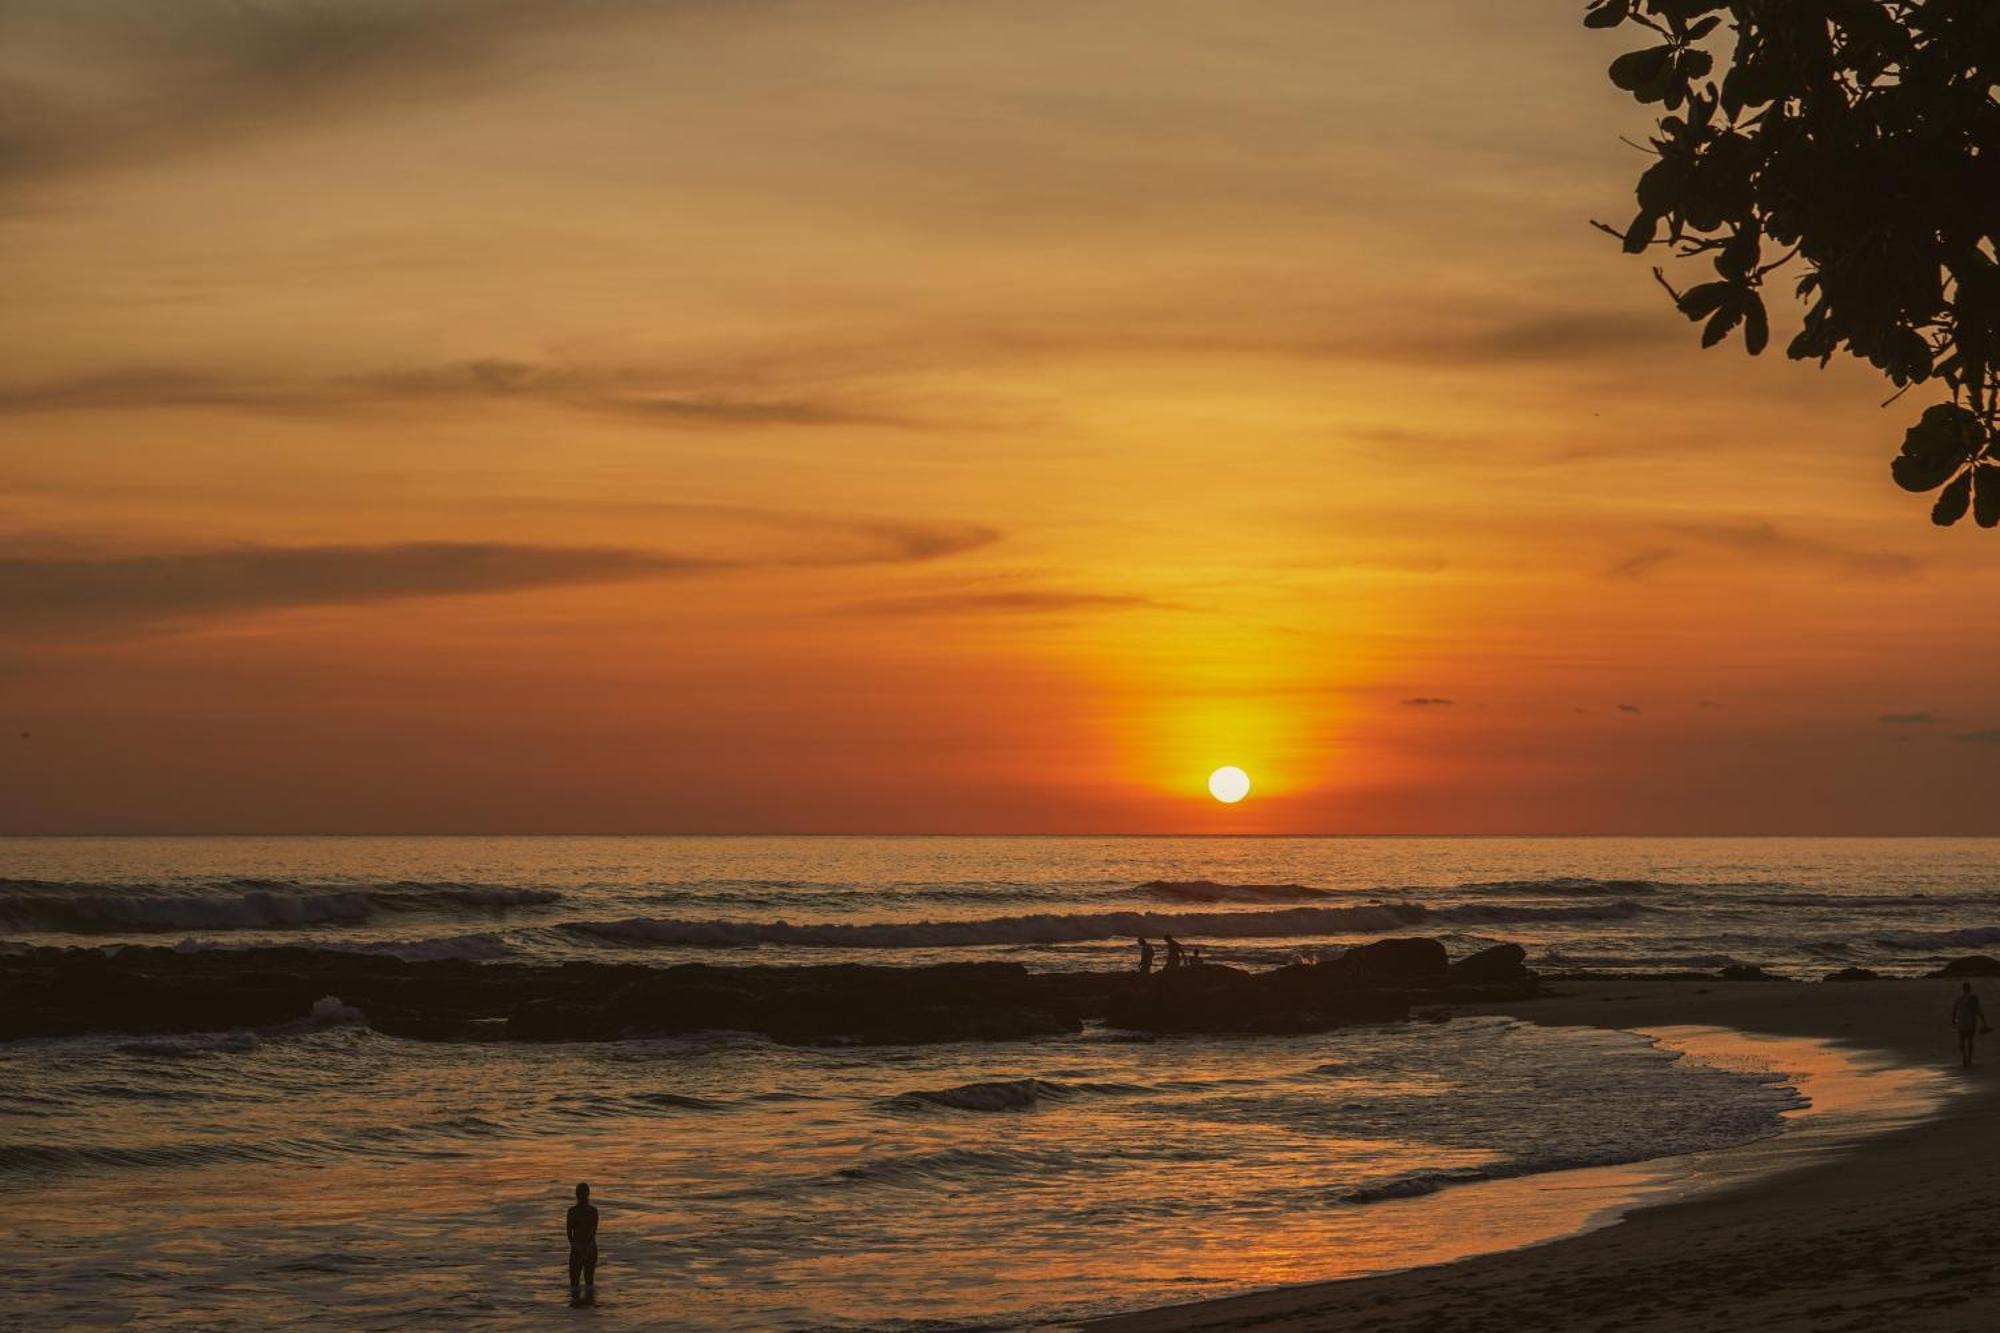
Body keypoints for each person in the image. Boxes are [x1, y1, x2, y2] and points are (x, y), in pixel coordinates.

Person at [566, 1182, 599, 1304]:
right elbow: (593, 1232)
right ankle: (589, 1309)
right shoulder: (593, 1211)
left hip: (578, 1247)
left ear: (576, 1194)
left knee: (575, 1285)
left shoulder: (572, 1211)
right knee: (588, 1282)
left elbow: (569, 1233)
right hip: (590, 1247)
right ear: (588, 1194)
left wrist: (576, 1246)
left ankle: (577, 1311)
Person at [1952, 982, 1990, 1068]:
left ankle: (1964, 1057)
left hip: (1961, 1022)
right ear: (1969, 988)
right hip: (1971, 1022)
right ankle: (1969, 1058)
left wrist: (1953, 1021)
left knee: (1961, 1041)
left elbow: (1954, 1011)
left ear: (1963, 989)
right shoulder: (1974, 998)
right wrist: (1984, 1022)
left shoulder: (1959, 998)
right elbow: (1979, 1011)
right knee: (1970, 1041)